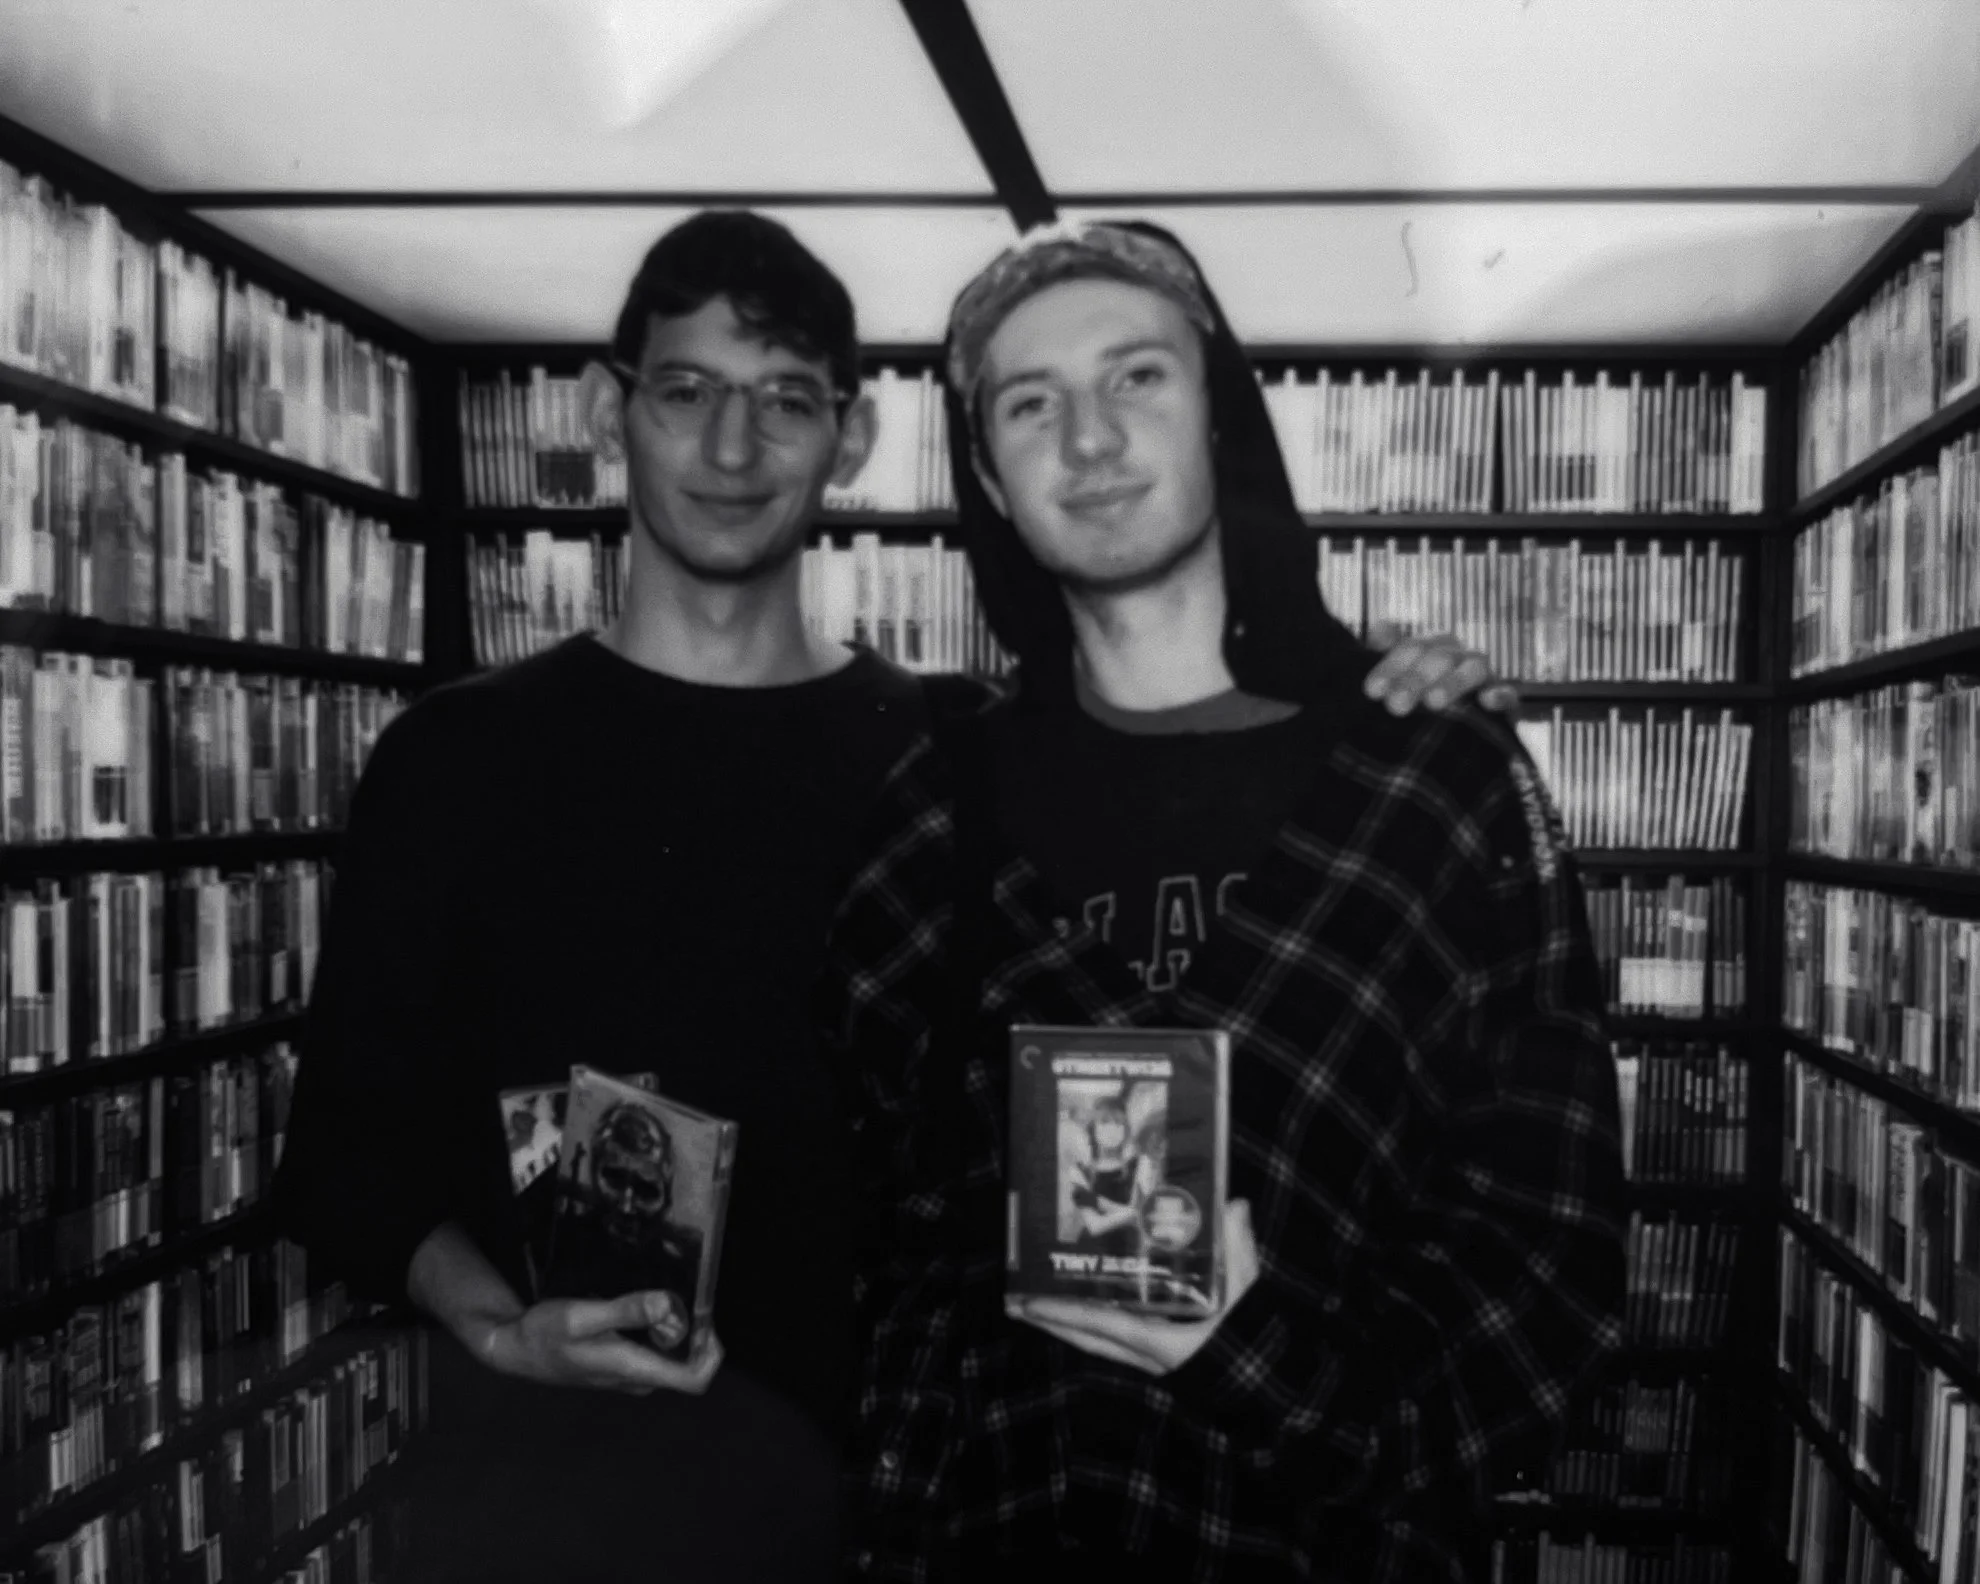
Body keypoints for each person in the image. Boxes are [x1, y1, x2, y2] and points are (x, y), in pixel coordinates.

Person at [270, 209, 1523, 1584]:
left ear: (854, 439)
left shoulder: (950, 758)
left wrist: (1387, 697)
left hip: (881, 1507)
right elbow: (342, 1156)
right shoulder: (459, 754)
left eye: (786, 402)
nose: (733, 451)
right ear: (603, 407)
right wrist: (502, 1326)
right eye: (686, 393)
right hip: (553, 1501)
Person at [821, 219, 1629, 1582]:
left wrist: (1256, 1361)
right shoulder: (939, 798)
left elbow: (1550, 1266)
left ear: (1221, 417)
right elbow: (867, 1215)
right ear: (989, 479)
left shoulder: (1433, 782)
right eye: (1031, 404)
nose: (1088, 440)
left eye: (1136, 377)